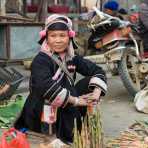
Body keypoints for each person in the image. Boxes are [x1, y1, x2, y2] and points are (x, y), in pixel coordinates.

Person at [14, 14, 107, 145]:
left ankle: (77, 125)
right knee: (50, 94)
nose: (58, 40)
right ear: (46, 37)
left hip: (67, 102)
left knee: (90, 81)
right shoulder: (41, 60)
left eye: (62, 36)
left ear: (69, 37)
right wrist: (76, 100)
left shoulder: (72, 57)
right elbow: (45, 86)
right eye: (53, 36)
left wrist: (96, 93)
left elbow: (98, 70)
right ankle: (50, 135)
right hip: (42, 107)